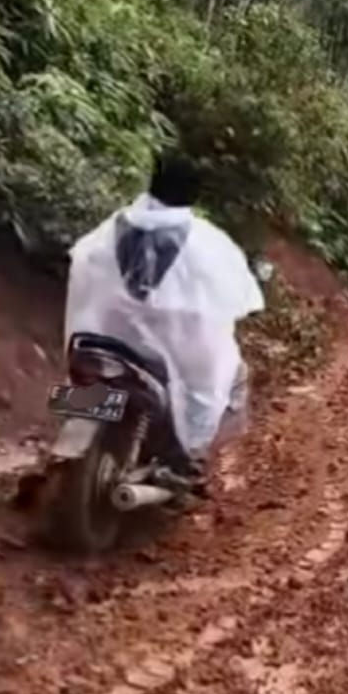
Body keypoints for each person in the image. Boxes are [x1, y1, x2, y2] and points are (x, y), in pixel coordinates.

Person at [62, 151, 265, 493]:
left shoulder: (110, 228)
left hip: (99, 341)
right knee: (229, 376)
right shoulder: (205, 242)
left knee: (81, 387)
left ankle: (69, 428)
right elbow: (228, 298)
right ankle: (188, 457)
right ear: (194, 193)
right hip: (160, 355)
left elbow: (83, 267)